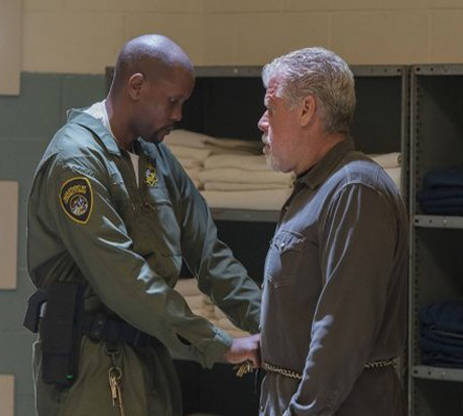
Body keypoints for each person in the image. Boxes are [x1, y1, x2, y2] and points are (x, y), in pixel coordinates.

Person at [24, 34, 261, 416]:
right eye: (173, 101)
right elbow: (124, 279)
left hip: (151, 358)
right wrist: (219, 344)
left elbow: (210, 255)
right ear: (136, 86)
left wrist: (270, 326)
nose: (179, 115)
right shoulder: (76, 162)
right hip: (93, 367)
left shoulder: (156, 159)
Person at [257, 47, 409, 416]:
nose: (262, 122)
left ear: (306, 110)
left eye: (271, 108)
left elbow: (341, 332)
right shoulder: (316, 187)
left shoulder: (355, 190)